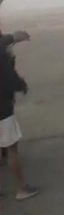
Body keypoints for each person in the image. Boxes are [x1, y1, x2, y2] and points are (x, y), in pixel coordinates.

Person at [0, 36, 39, 201]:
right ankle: (22, 189)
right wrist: (21, 85)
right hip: (2, 108)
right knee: (11, 149)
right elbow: (7, 76)